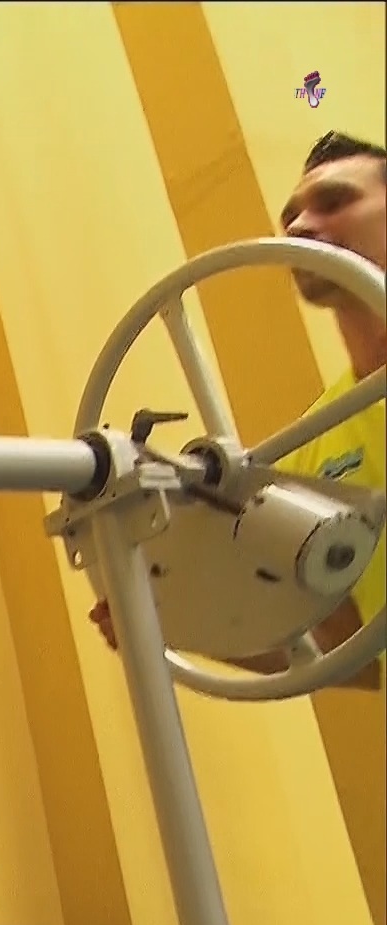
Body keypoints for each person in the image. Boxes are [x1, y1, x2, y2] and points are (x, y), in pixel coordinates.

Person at [90, 131, 386, 692]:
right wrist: (166, 622)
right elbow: (342, 645)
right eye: (291, 216)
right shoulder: (316, 441)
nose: (299, 227)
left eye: (334, 202)